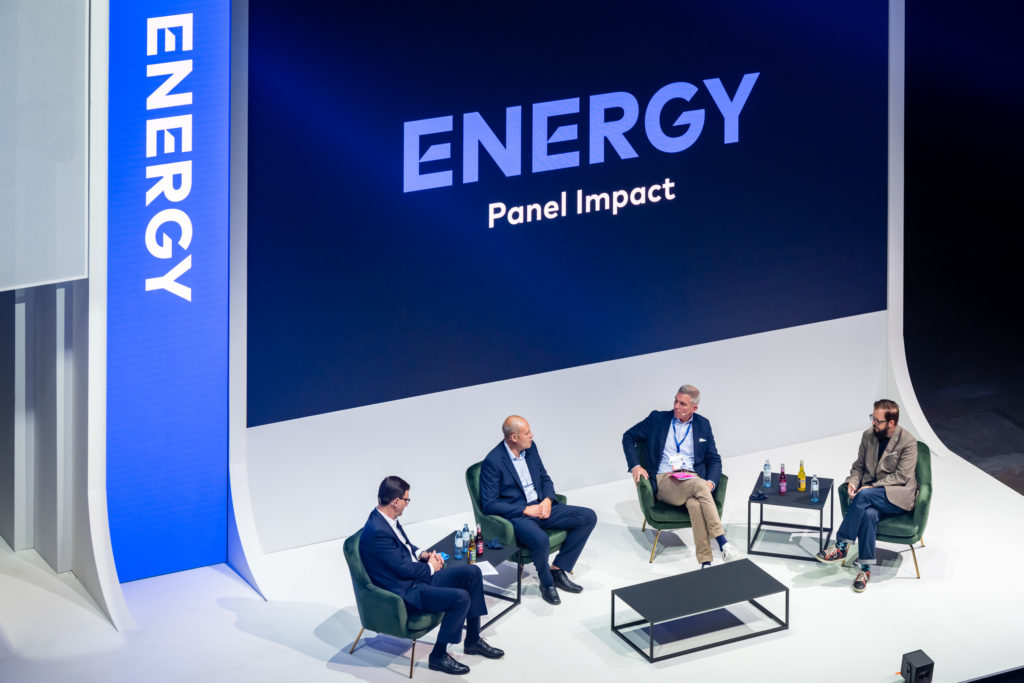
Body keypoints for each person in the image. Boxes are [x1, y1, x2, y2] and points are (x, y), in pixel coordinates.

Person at [359, 476, 504, 676]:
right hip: (406, 591)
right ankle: (438, 656)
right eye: (406, 500)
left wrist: (423, 554)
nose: (407, 504)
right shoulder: (377, 531)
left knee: (473, 572)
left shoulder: (386, 518)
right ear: (396, 501)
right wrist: (431, 567)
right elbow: (402, 569)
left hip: (415, 579)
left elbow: (405, 546)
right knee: (460, 598)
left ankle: (473, 640)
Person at [480, 415, 598, 606]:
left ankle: (557, 570)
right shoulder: (493, 461)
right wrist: (526, 509)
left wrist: (548, 500)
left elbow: (544, 478)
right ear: (514, 438)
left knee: (588, 517)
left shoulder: (530, 448)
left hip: (542, 506)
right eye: (527, 433)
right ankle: (547, 583)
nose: (532, 435)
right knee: (540, 539)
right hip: (520, 516)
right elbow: (489, 504)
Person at [622, 384, 740, 568]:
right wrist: (636, 465)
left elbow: (714, 459)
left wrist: (710, 483)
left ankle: (705, 562)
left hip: (692, 478)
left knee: (695, 504)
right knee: (698, 485)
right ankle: (722, 541)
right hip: (665, 479)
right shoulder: (658, 419)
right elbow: (628, 436)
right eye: (676, 401)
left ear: (694, 408)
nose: (676, 406)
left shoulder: (703, 424)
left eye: (682, 404)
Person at [816, 399, 918, 593]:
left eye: (878, 420)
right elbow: (859, 466)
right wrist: (853, 482)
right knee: (869, 514)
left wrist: (870, 487)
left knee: (863, 497)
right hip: (872, 495)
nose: (873, 423)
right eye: (873, 417)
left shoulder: (908, 442)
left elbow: (902, 476)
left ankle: (841, 546)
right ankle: (865, 569)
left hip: (897, 495)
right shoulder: (868, 436)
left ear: (891, 423)